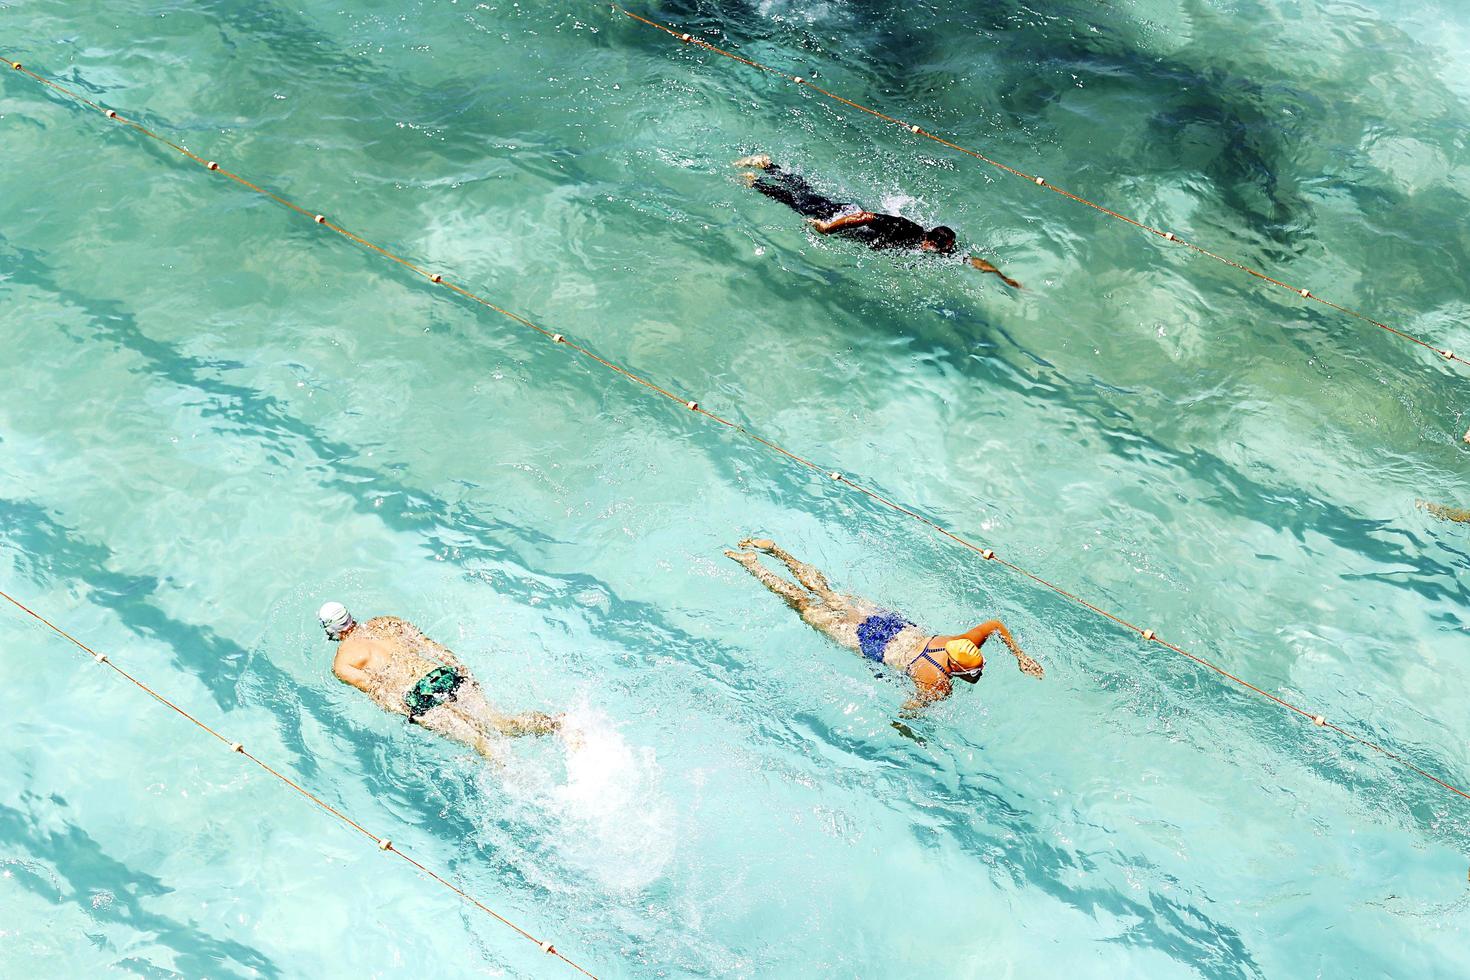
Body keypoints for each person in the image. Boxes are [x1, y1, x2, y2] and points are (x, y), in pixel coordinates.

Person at [724, 538, 1042, 713]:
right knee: (803, 604)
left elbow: (995, 625)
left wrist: (1020, 655)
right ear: (958, 670)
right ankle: (753, 564)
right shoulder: (938, 684)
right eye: (974, 672)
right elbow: (908, 710)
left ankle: (777, 550)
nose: (979, 673)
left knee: (827, 593)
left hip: (886, 623)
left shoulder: (959, 641)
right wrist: (910, 723)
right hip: (871, 641)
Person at [735, 154, 1021, 287]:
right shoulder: (907, 229)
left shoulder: (932, 246)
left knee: (801, 199)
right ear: (931, 241)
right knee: (801, 200)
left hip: (850, 222)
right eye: (944, 249)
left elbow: (970, 260)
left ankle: (760, 176)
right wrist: (827, 228)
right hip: (842, 217)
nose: (946, 254)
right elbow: (864, 217)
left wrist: (1001, 275)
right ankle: (764, 169)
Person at [319, 602, 560, 759]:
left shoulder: (342, 664)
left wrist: (411, 714)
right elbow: (430, 646)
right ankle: (558, 724)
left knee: (479, 741)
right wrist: (461, 670)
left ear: (330, 630)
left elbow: (380, 693)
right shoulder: (385, 623)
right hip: (441, 674)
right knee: (500, 722)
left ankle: (516, 782)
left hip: (417, 695)